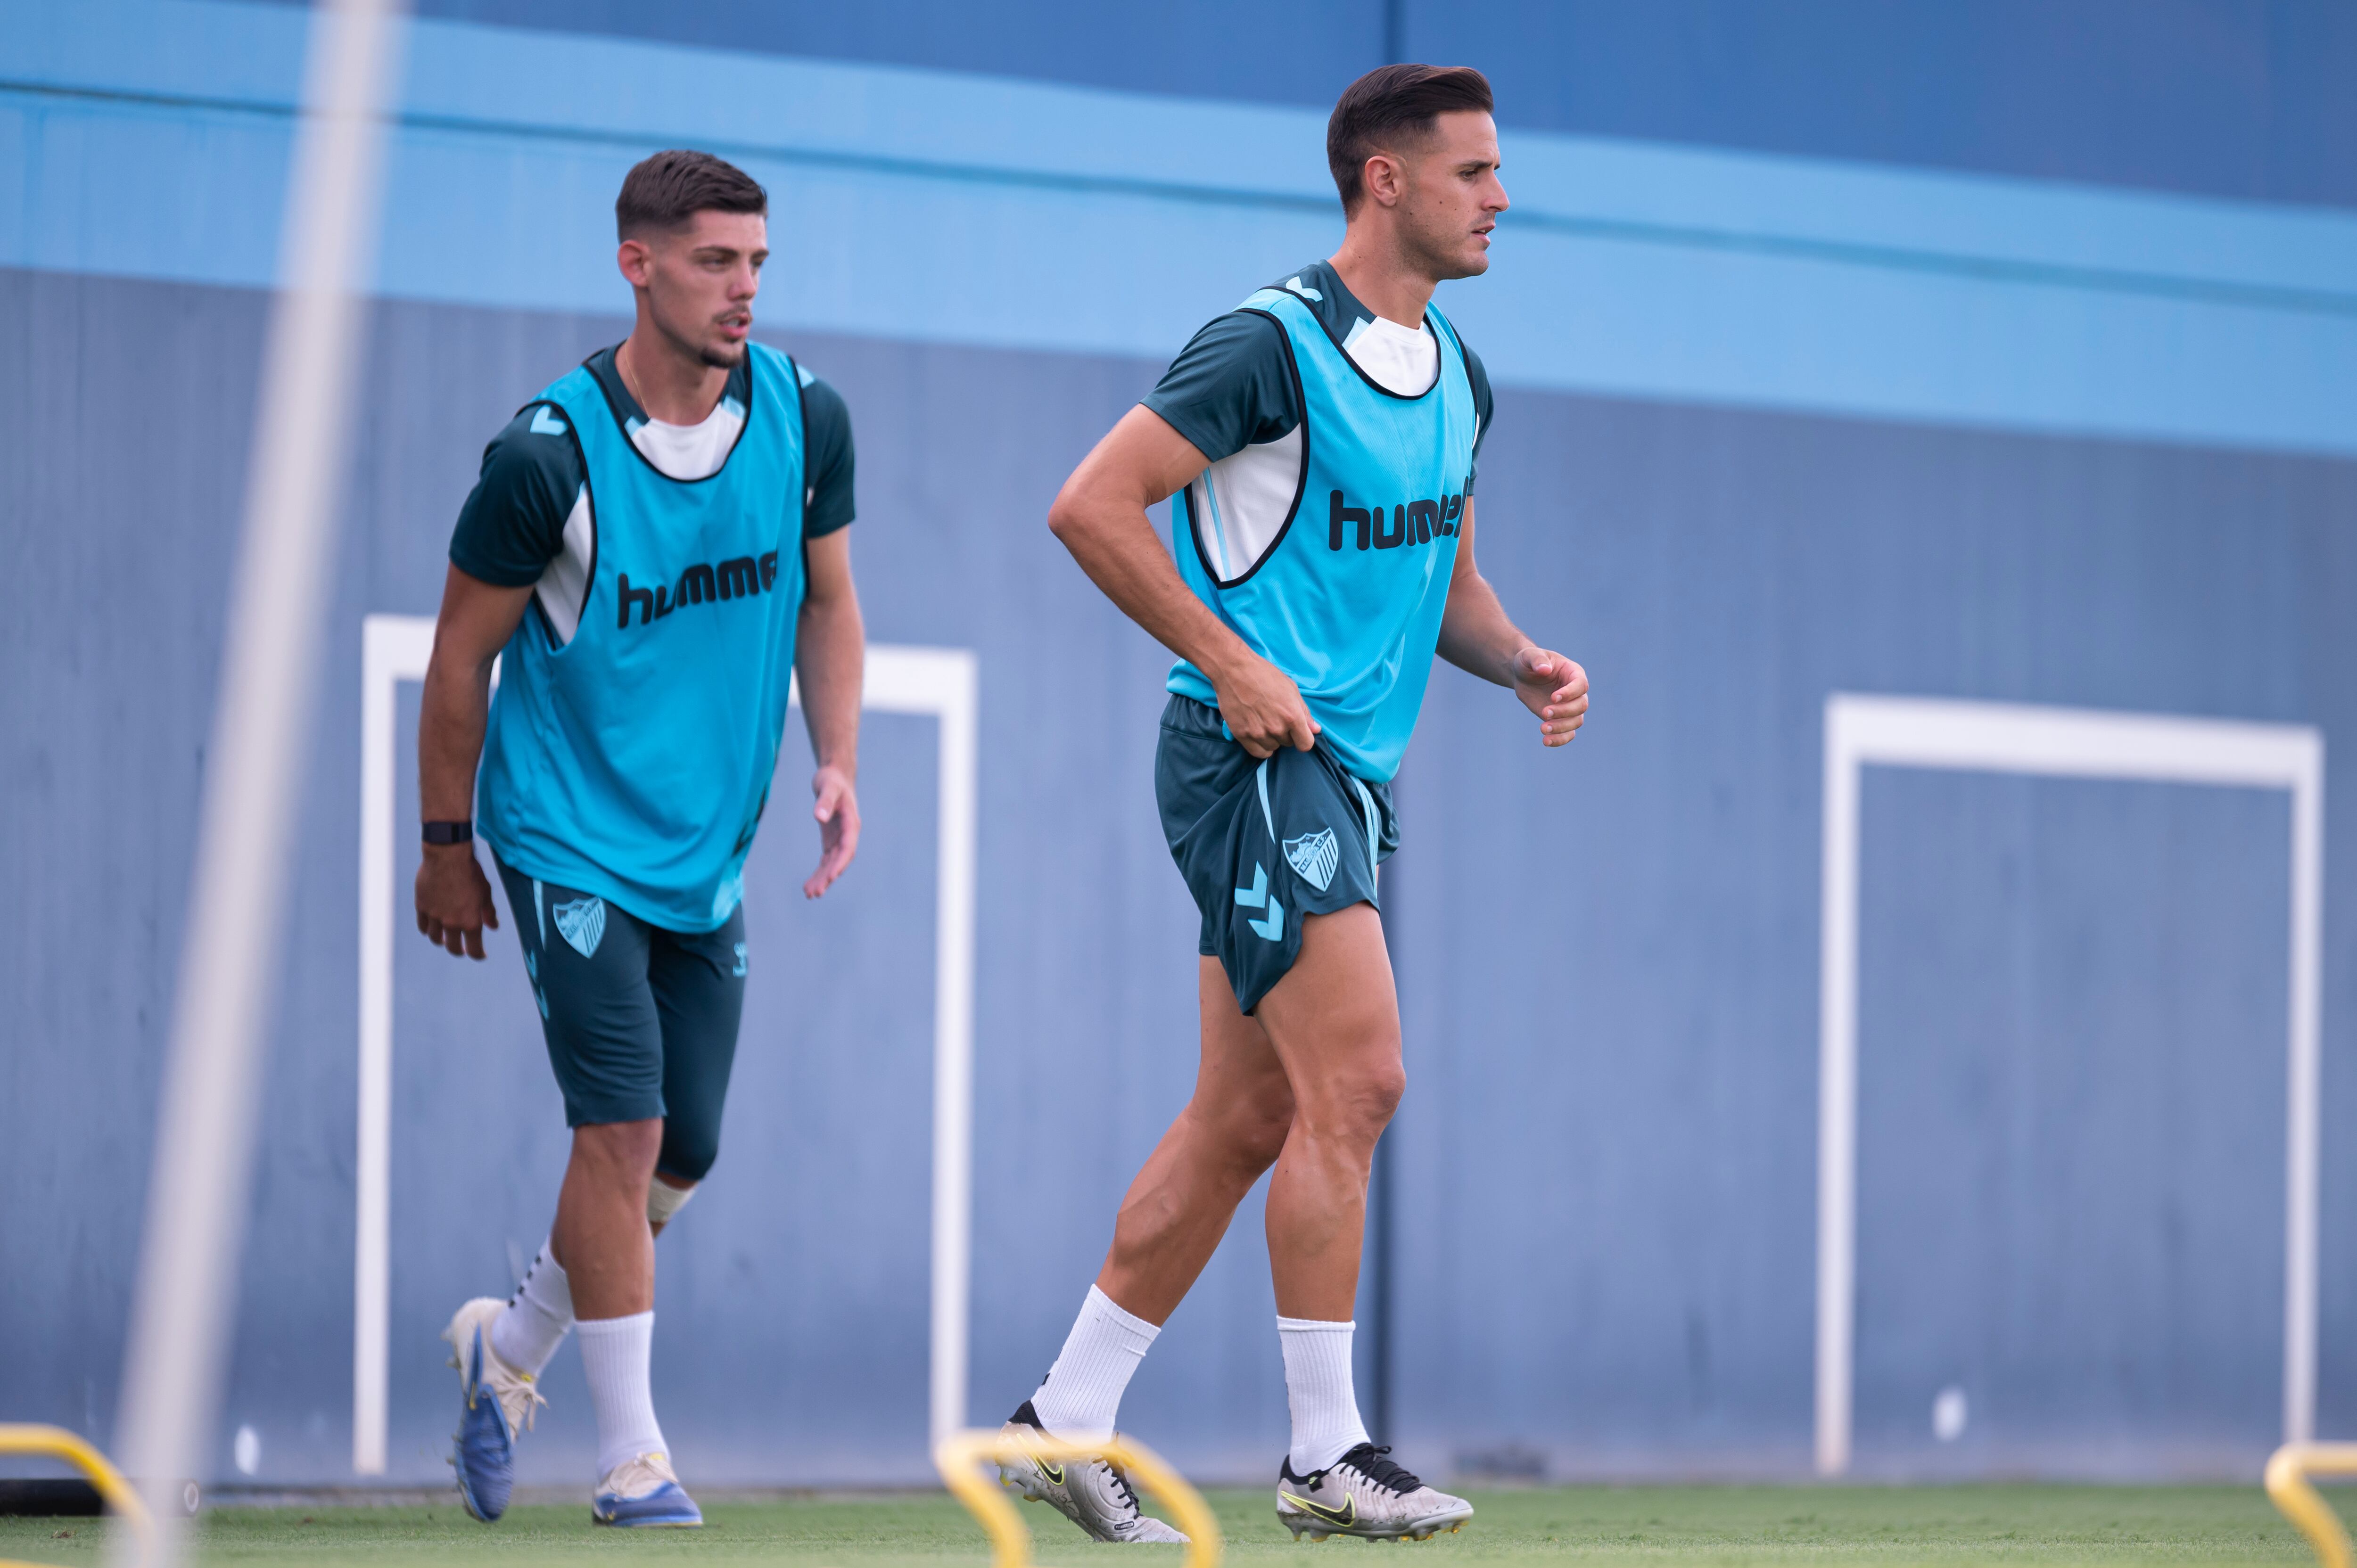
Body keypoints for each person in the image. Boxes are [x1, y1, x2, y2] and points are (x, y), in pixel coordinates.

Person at [1000, 64, 1588, 1543]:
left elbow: (1438, 578)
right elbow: (1089, 505)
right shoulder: (1265, 345)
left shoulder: (1461, 375)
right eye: (1474, 172)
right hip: (1252, 759)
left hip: (1344, 776)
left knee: (1246, 1114)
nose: (1501, 197)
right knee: (1366, 1079)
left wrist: (1518, 662)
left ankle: (1059, 1420)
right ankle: (1325, 1455)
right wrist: (1231, 660)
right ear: (1385, 180)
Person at [410, 148, 865, 1528]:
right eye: (716, 261)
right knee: (621, 1125)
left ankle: (510, 1348)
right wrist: (446, 844)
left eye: (758, 264)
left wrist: (837, 757)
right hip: (565, 837)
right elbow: (455, 661)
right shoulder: (547, 454)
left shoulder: (805, 415)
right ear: (639, 264)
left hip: (701, 853)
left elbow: (828, 605)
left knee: (688, 1150)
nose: (744, 289)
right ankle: (633, 1461)